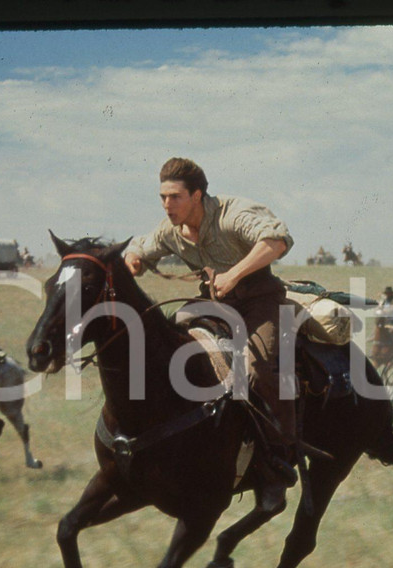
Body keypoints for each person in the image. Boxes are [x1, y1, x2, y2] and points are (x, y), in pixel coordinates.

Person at [123, 157, 296, 506]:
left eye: (175, 197)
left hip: (259, 301)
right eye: (162, 197)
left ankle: (278, 459)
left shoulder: (233, 214)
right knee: (168, 347)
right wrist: (134, 260)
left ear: (197, 195)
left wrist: (234, 274)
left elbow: (276, 240)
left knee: (260, 369)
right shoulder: (170, 231)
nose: (167, 205)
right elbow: (140, 246)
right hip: (215, 303)